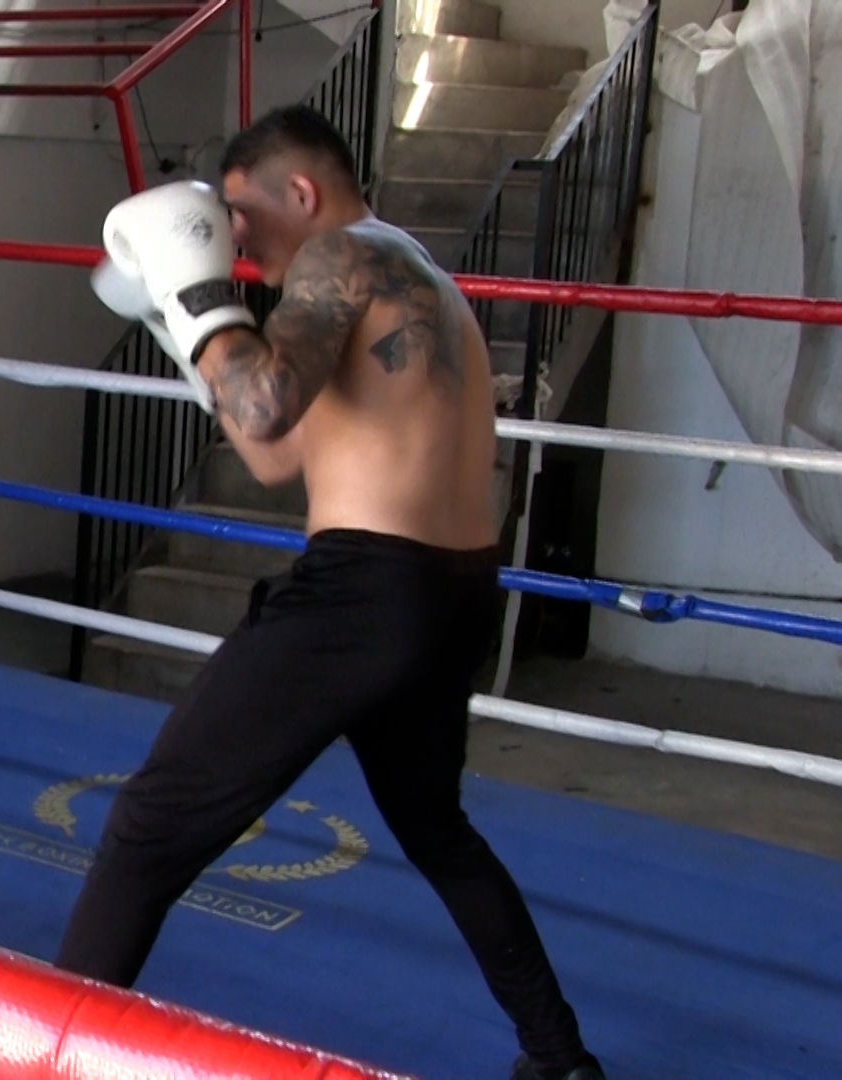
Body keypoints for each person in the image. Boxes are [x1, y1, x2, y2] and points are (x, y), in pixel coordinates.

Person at [66, 104, 605, 1080]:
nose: (235, 245)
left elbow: (263, 399)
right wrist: (181, 320)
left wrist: (197, 303)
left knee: (148, 829)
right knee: (438, 831)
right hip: (451, 596)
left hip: (366, 593)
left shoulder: (336, 257)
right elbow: (275, 454)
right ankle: (560, 1059)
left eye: (241, 216)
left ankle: (33, 1055)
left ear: (301, 193)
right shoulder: (417, 273)